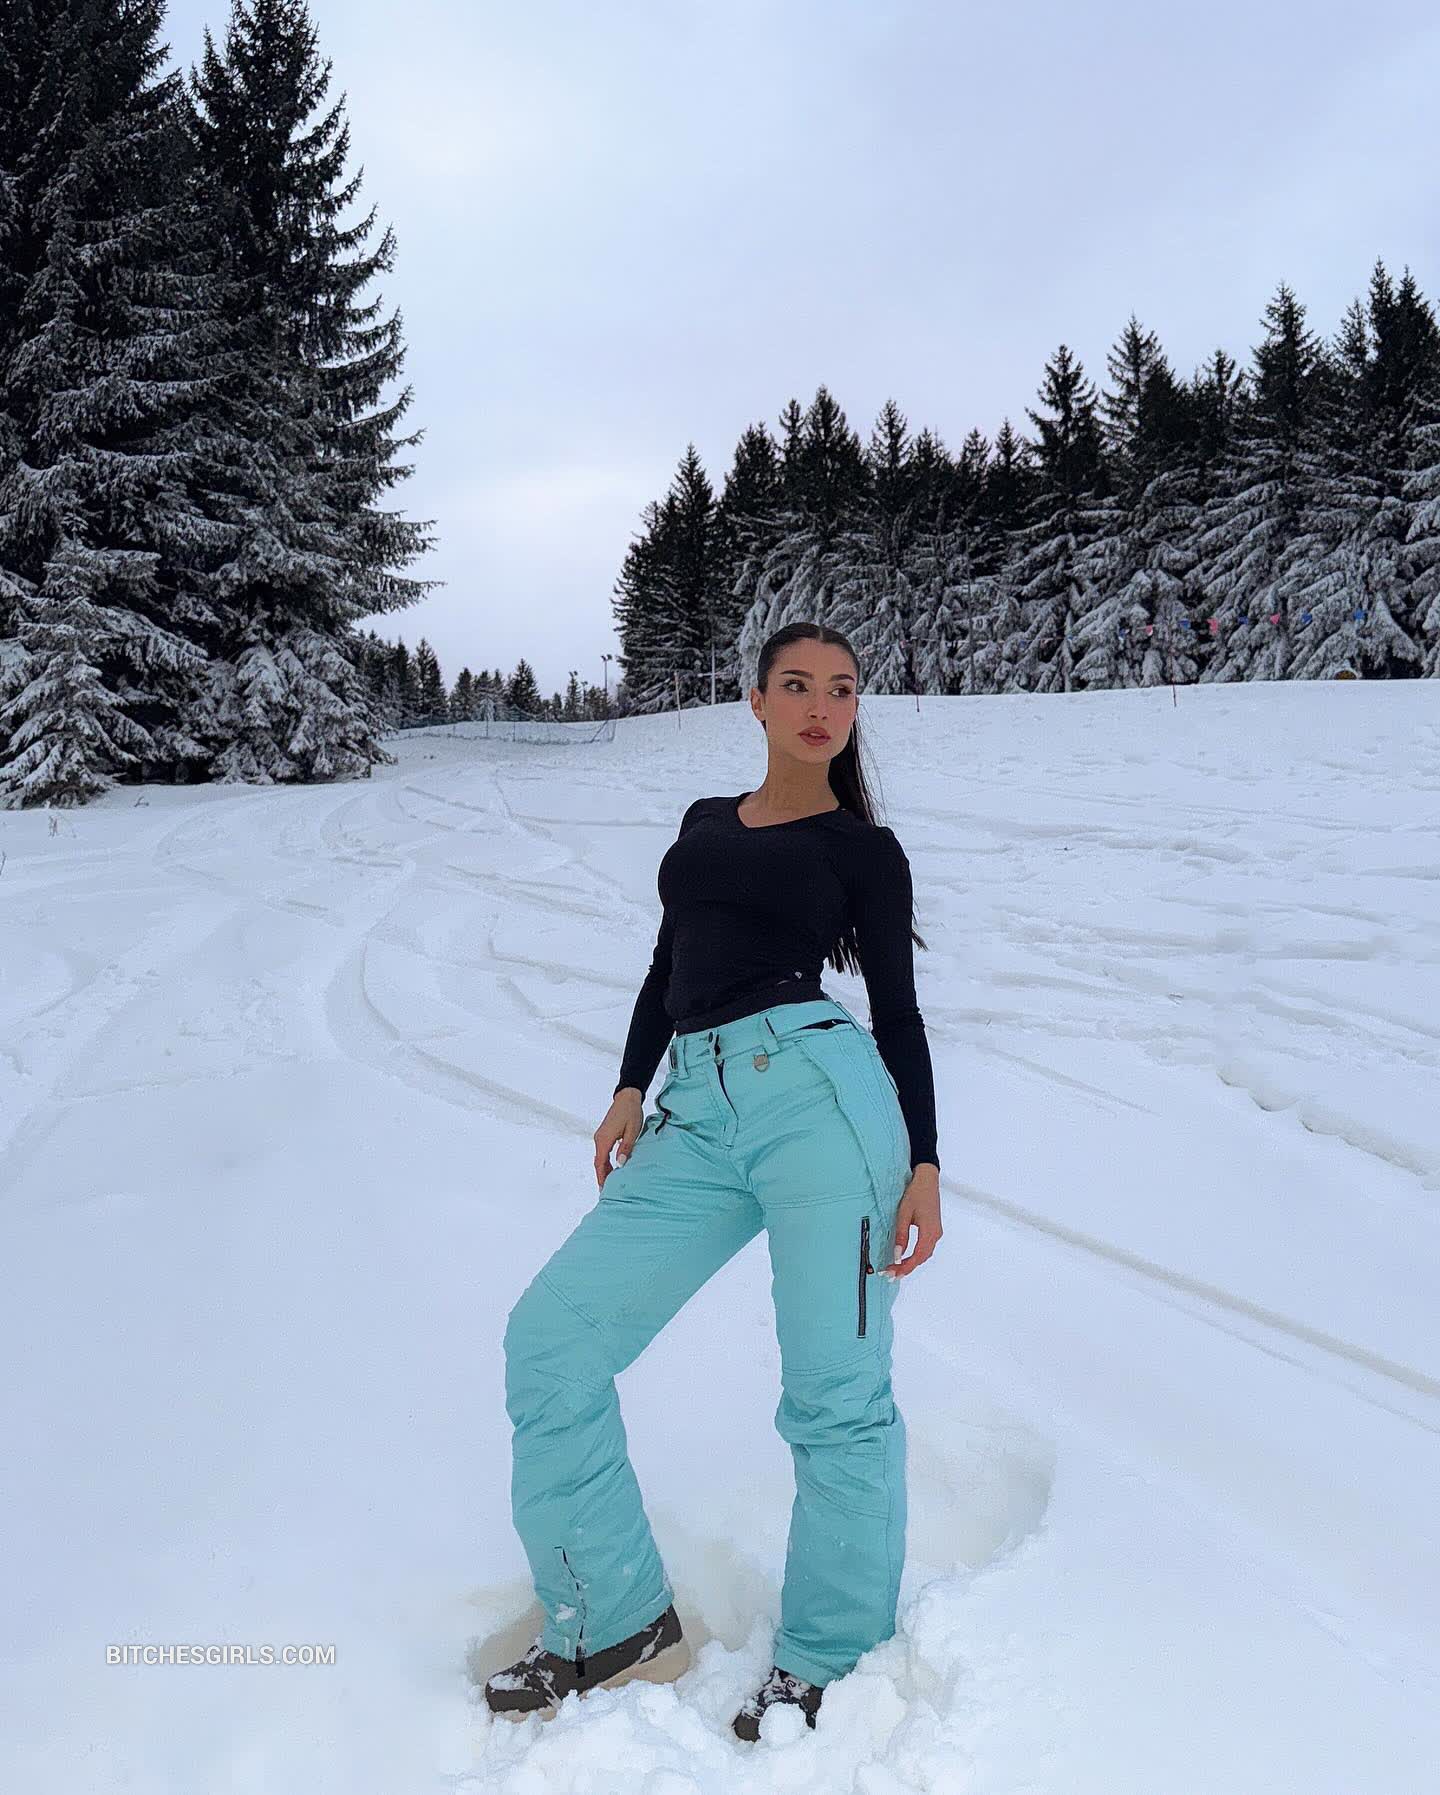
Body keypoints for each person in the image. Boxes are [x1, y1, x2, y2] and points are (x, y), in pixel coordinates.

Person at [486, 621, 942, 1740]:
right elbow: (668, 964)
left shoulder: (864, 851)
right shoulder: (704, 823)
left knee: (835, 1394)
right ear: (757, 700)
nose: (821, 707)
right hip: (695, 1111)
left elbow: (899, 1012)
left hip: (820, 1105)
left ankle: (831, 1658)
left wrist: (926, 1160)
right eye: (798, 685)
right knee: (552, 1339)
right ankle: (611, 1624)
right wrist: (629, 1084)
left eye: (842, 689)